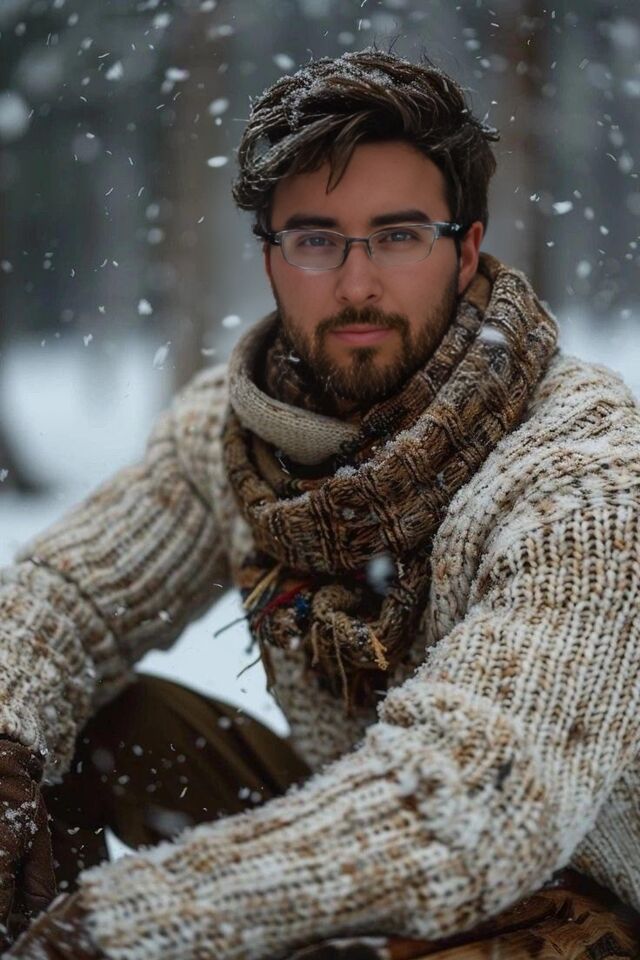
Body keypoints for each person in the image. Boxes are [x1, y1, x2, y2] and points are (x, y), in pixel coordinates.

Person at [2, 47, 640, 960]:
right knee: (70, 731)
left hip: (582, 895)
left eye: (398, 235)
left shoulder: (588, 477)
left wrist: (128, 924)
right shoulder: (239, 439)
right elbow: (66, 596)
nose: (356, 284)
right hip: (371, 838)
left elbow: (469, 803)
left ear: (466, 250)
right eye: (315, 239)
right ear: (271, 257)